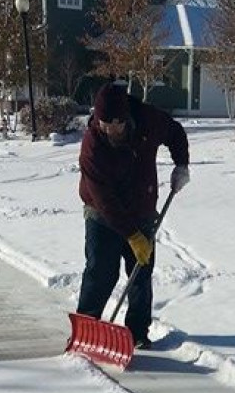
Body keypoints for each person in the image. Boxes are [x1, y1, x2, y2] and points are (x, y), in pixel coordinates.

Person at [77, 83, 190, 348]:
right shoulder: (92, 146)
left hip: (142, 207)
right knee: (100, 272)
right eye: (104, 123)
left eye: (116, 123)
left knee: (140, 273)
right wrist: (132, 236)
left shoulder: (148, 119)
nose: (110, 129)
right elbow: (105, 201)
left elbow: (175, 132)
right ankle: (86, 328)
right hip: (101, 213)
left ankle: (137, 333)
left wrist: (181, 165)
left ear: (126, 117)